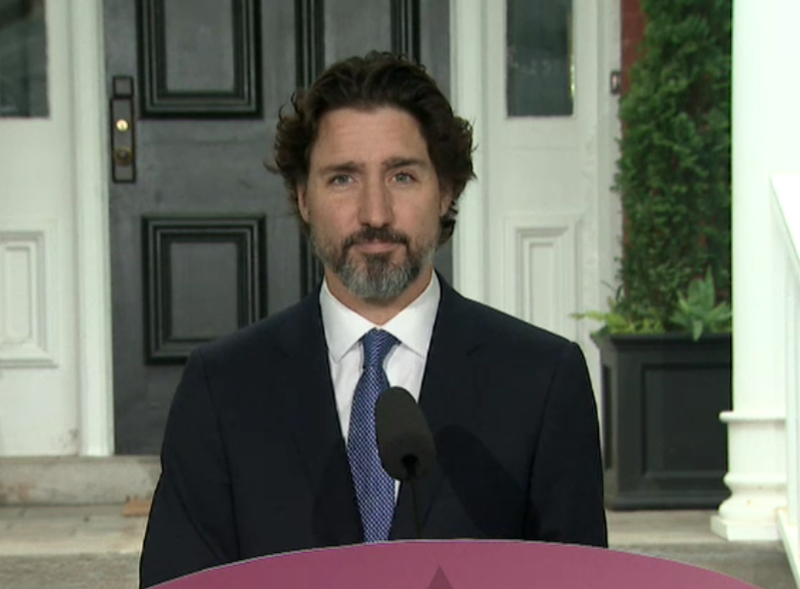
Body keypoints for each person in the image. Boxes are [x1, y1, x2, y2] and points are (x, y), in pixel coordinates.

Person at [139, 51, 607, 588]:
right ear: (303, 197)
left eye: (402, 176)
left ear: (446, 191)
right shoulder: (223, 387)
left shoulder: (542, 380)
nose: (375, 214)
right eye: (343, 179)